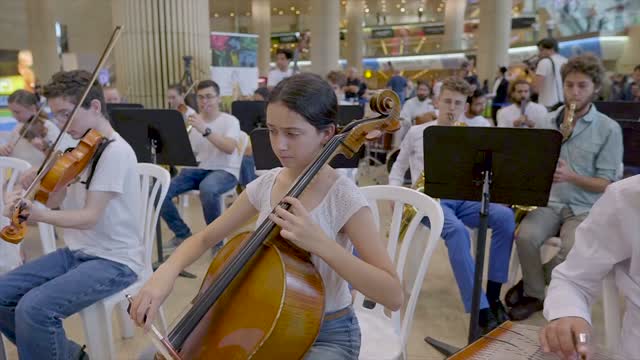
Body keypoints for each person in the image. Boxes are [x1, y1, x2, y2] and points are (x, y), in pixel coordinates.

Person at [129, 73, 403, 359]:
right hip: (263, 320)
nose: (279, 144)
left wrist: (322, 244)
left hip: (327, 333)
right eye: (272, 130)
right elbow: (204, 238)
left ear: (327, 133)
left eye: (292, 133)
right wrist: (165, 274)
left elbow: (392, 295)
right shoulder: (267, 184)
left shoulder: (344, 198)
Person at [0, 70, 142, 360]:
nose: (62, 124)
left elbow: (89, 216)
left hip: (115, 259)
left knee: (34, 309)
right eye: (57, 116)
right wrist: (29, 195)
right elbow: (57, 200)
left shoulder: (115, 152)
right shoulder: (75, 149)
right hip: (78, 252)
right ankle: (69, 355)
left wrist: (39, 215)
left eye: (67, 114)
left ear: (95, 107)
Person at [389, 77, 515, 333]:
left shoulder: (472, 134)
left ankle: (493, 295)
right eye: (447, 101)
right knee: (457, 232)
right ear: (437, 101)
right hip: (427, 200)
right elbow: (398, 168)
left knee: (505, 217)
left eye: (458, 103)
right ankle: (480, 311)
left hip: (462, 199)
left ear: (464, 105)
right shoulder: (417, 132)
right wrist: (396, 196)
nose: (451, 107)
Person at [506, 54, 624, 321]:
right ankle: (535, 295)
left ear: (595, 88)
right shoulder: (548, 121)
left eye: (582, 86)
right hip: (550, 201)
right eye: (569, 85)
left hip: (585, 208)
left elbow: (606, 183)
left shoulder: (609, 129)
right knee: (524, 236)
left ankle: (532, 281)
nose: (574, 92)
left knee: (573, 249)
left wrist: (571, 176)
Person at [539, 174, 640, 360]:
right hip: (561, 209)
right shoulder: (627, 197)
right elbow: (573, 279)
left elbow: (602, 181)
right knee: (526, 237)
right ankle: (529, 293)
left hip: (581, 210)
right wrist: (569, 313)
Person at [159, 80, 241, 252]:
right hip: (198, 169)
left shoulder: (230, 120)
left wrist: (205, 129)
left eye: (209, 97)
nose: (205, 102)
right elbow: (187, 152)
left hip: (224, 170)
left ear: (218, 98)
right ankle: (182, 233)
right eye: (201, 97)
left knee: (208, 188)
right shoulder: (193, 121)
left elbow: (229, 148)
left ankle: (215, 241)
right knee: (160, 190)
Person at [0, 90, 61, 161]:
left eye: (17, 112)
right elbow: (11, 150)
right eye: (12, 112)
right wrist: (3, 150)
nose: (13, 116)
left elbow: (58, 159)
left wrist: (45, 149)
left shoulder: (49, 128)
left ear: (33, 109)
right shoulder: (18, 126)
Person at [534, 38, 568, 110]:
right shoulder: (565, 61)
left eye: (541, 50)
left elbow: (536, 88)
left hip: (547, 104)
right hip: (564, 103)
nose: (539, 53)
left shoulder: (544, 62)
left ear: (551, 49)